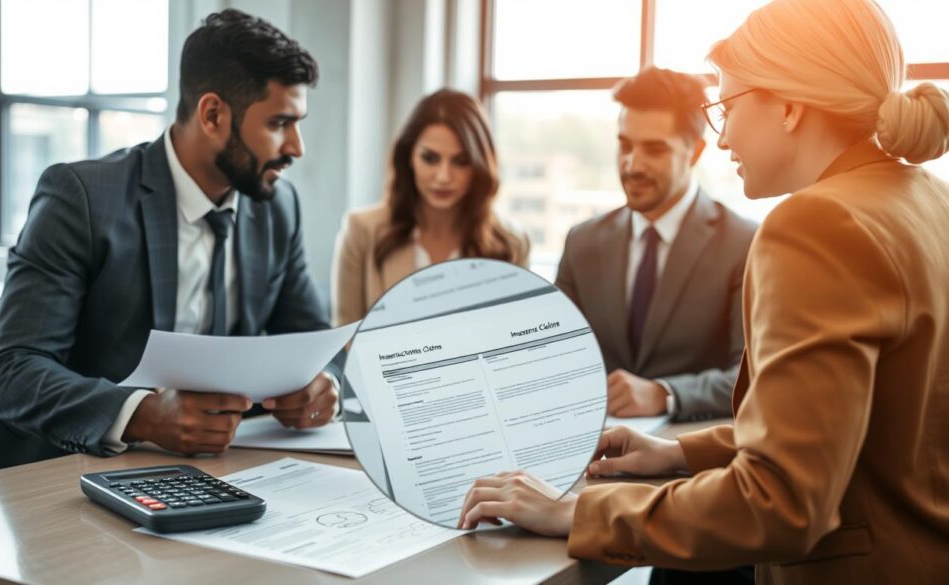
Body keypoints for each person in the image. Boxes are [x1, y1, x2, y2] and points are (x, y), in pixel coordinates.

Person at [458, 0, 949, 581]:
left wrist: (578, 510)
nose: (721, 138)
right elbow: (848, 426)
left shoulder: (816, 224)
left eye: (727, 106)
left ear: (789, 107)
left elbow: (782, 501)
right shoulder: (925, 199)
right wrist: (680, 453)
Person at [0, 9, 340, 472]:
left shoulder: (277, 209)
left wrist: (323, 388)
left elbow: (313, 346)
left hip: (213, 474)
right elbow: (11, 372)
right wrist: (141, 415)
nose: (297, 147)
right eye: (280, 123)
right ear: (213, 114)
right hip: (63, 475)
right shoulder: (82, 199)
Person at [556, 67, 757, 423]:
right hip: (592, 456)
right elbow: (553, 361)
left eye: (654, 149)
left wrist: (665, 393)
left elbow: (750, 374)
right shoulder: (582, 242)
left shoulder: (743, 243)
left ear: (694, 152)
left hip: (691, 457)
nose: (633, 164)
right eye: (625, 145)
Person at [331, 89, 529, 326]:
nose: (444, 177)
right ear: (409, 157)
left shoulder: (512, 243)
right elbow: (344, 338)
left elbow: (516, 339)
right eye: (430, 158)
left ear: (479, 166)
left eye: (461, 161)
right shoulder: (361, 230)